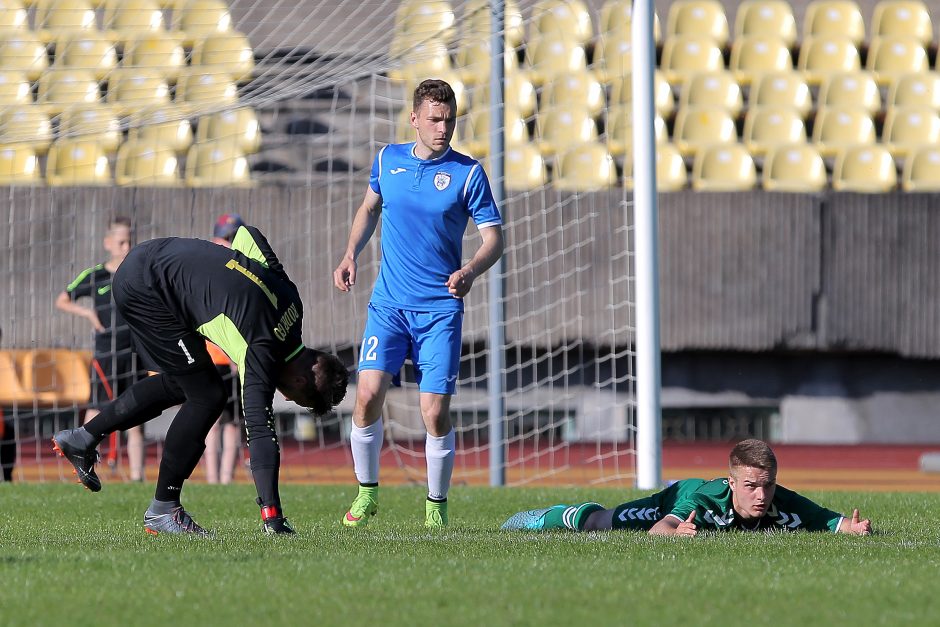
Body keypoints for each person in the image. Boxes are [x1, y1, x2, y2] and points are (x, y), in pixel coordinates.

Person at [52, 224, 348, 536]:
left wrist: (210, 269)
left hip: (157, 255)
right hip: (146, 288)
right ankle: (163, 509)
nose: (287, 399)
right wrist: (272, 518)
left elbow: (248, 234)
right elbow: (261, 434)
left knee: (187, 382)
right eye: (296, 398)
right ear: (301, 381)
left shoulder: (292, 302)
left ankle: (82, 438)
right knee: (208, 396)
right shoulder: (261, 351)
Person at [333, 78, 504, 528]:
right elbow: (369, 208)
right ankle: (366, 495)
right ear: (414, 119)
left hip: (439, 310)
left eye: (449, 120)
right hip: (388, 305)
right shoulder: (388, 160)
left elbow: (494, 239)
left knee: (433, 411)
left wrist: (469, 270)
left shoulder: (468, 173)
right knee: (367, 396)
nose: (442, 128)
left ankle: (435, 507)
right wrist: (351, 252)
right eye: (434, 119)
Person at [501, 439, 873, 536]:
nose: (761, 496)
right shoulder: (704, 500)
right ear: (732, 483)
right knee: (602, 523)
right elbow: (658, 529)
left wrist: (853, 528)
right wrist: (676, 534)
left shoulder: (783, 501)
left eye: (768, 486)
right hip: (675, 496)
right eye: (751, 486)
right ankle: (554, 515)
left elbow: (829, 521)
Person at [55, 216, 148, 481]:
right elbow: (62, 300)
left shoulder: (139, 274)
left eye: (130, 241)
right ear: (109, 243)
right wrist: (87, 314)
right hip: (106, 354)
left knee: (138, 412)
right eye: (121, 242)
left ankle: (137, 476)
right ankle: (82, 462)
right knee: (96, 409)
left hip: (135, 354)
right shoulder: (95, 276)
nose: (127, 247)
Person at [203, 213, 246, 485]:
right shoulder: (208, 272)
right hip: (214, 360)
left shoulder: (244, 271)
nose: (230, 243)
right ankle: (211, 476)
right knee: (213, 420)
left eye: (234, 238)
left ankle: (226, 477)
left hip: (235, 361)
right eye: (226, 238)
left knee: (234, 422)